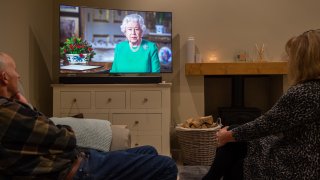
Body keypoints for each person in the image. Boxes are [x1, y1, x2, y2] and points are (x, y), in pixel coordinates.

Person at [0, 52, 177, 179]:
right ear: (4, 77)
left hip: (80, 158)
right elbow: (66, 138)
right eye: (15, 69)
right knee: (167, 165)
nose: (19, 74)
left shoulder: (13, 109)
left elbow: (46, 134)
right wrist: (28, 107)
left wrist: (25, 105)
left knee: (149, 151)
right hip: (78, 169)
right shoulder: (7, 113)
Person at [203, 29, 320, 180]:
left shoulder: (303, 93)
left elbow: (265, 125)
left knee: (237, 161)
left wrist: (228, 135)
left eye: (291, 57)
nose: (288, 61)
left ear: (302, 61)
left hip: (298, 165)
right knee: (237, 142)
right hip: (305, 158)